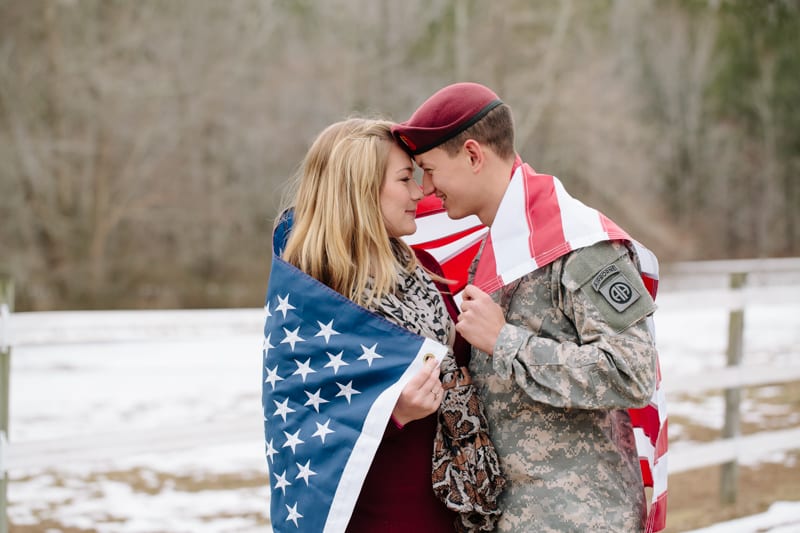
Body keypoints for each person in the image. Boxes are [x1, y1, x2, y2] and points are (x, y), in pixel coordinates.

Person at [392, 82, 659, 532]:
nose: (428, 189)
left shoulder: (579, 244)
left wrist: (506, 342)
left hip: (582, 519)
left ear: (474, 155)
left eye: (431, 170)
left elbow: (634, 373)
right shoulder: (493, 251)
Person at [272, 117, 458, 532]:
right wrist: (394, 416)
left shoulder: (423, 269)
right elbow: (305, 424)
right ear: (361, 187)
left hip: (450, 500)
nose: (419, 192)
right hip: (368, 512)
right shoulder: (313, 289)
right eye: (405, 178)